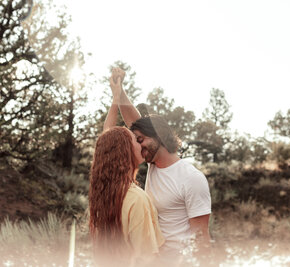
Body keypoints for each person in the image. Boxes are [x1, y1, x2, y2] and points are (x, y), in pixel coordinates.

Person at [111, 68, 212, 263]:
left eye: (140, 140)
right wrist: (119, 90)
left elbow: (201, 239)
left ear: (158, 136)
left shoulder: (191, 178)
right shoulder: (154, 165)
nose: (137, 147)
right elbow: (133, 119)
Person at [89, 68, 164, 267]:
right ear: (124, 153)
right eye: (136, 141)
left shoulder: (103, 195)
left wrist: (117, 97)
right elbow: (147, 260)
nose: (142, 144)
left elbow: (106, 142)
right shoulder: (137, 200)